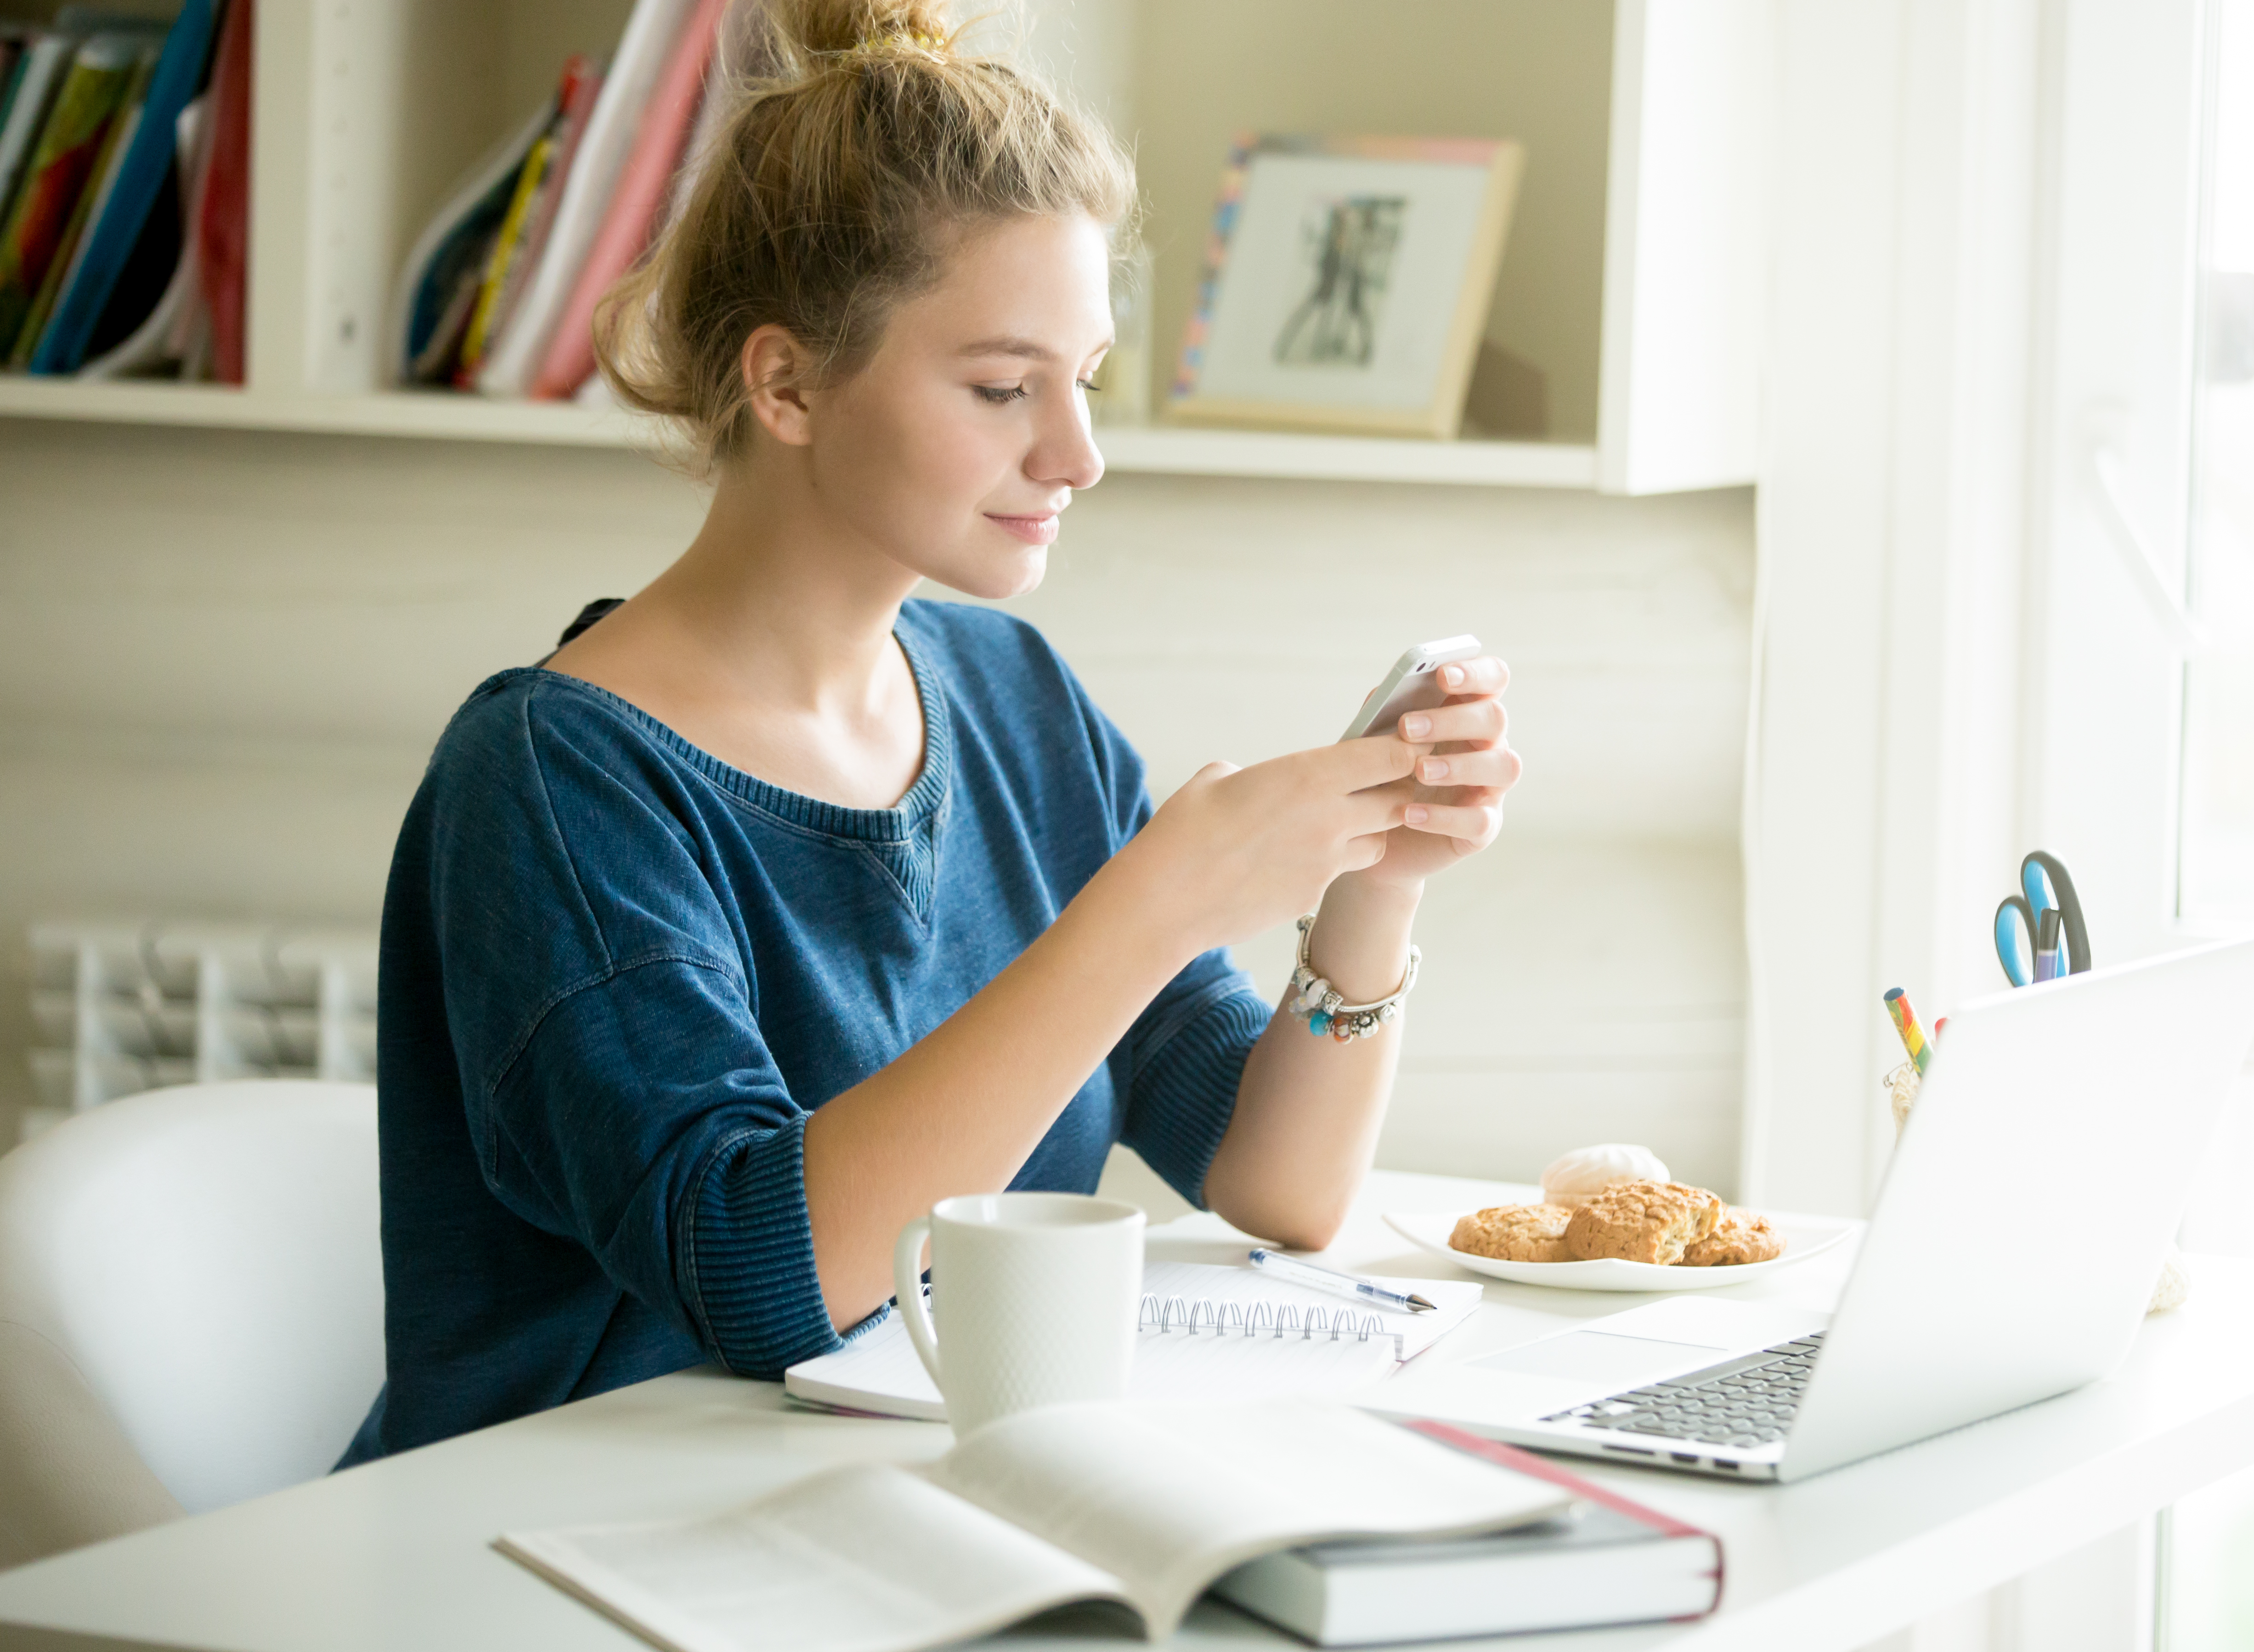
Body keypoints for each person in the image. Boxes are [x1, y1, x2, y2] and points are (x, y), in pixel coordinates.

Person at [339, 0, 1520, 1465]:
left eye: (1080, 382)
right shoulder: (554, 779)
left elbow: (1272, 1182)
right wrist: (1154, 905)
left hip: (883, 1497)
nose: (1074, 456)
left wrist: (1371, 888)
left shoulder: (1012, 697)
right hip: (555, 1534)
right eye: (999, 387)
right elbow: (762, 1279)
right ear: (784, 384)